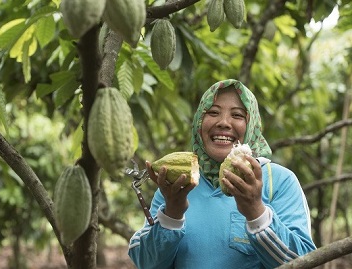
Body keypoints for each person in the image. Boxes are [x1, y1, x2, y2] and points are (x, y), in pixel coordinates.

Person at [128, 79, 316, 269]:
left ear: (252, 126)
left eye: (237, 115)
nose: (224, 123)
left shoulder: (279, 181)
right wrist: (172, 215)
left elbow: (305, 262)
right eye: (213, 112)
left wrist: (255, 211)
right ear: (199, 124)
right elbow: (145, 263)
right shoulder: (177, 185)